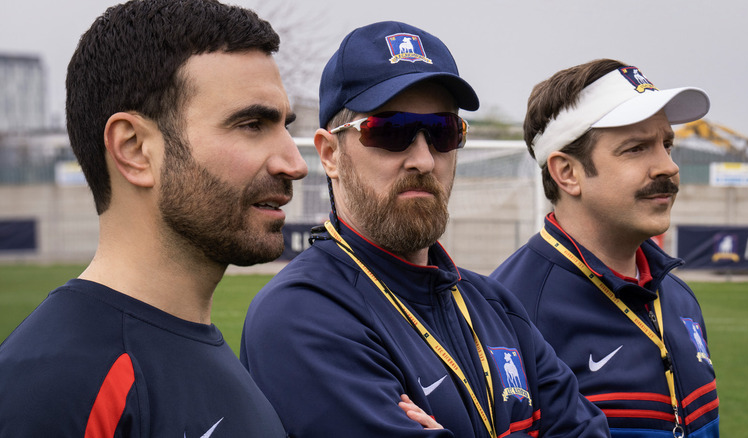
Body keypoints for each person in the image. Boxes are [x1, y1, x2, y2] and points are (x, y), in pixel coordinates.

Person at [240, 21, 609, 438]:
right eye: (390, 131)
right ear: (329, 154)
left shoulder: (494, 305)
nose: (424, 160)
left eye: (442, 132)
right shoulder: (301, 315)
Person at [0, 0, 307, 436]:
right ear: (134, 149)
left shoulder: (211, 355)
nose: (294, 163)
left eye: (285, 127)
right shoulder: (54, 386)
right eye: (252, 124)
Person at [491, 59, 719, 437]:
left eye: (666, 144)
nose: (668, 167)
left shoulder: (677, 296)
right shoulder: (510, 313)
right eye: (635, 149)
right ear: (567, 172)